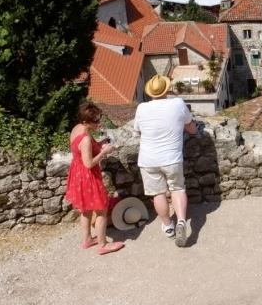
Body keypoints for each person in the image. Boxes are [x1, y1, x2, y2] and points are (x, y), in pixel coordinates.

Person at [134, 75, 197, 248]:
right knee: (177, 189)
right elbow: (191, 128)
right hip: (172, 158)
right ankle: (182, 222)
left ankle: (168, 226)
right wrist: (195, 129)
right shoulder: (177, 103)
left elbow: (140, 132)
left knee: (158, 194)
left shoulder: (142, 108)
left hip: (148, 159)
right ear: (166, 89)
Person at [65, 103, 123, 255]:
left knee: (86, 208)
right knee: (102, 209)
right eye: (96, 121)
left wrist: (99, 144)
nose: (99, 123)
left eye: (99, 119)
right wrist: (105, 152)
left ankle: (87, 239)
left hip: (78, 174)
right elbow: (89, 163)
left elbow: (84, 151)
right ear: (86, 122)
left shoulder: (78, 128)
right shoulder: (85, 138)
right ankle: (103, 244)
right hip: (88, 176)